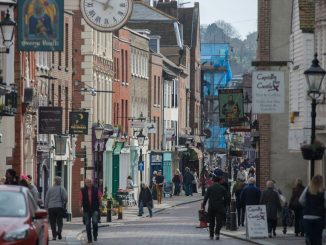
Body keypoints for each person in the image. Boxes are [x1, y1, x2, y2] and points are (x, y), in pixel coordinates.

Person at [299, 175, 326, 245]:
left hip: (307, 216)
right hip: (318, 216)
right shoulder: (323, 191)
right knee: (317, 237)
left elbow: (301, 200)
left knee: (309, 235)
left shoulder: (307, 189)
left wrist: (307, 205)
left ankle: (308, 240)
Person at [203, 175, 229, 240]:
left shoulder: (210, 188)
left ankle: (211, 235)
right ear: (219, 181)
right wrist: (225, 205)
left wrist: (203, 205)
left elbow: (205, 198)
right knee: (219, 221)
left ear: (213, 181)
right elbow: (227, 198)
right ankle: (217, 233)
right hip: (219, 207)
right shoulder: (222, 188)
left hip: (211, 207)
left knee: (211, 222)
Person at [45, 176, 68, 241]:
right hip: (59, 207)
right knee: (59, 221)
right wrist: (65, 203)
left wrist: (46, 207)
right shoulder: (62, 188)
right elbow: (65, 197)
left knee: (52, 222)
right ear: (60, 182)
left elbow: (46, 198)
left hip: (51, 207)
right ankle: (59, 232)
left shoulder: (50, 189)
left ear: (54, 181)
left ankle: (54, 236)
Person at [79, 178, 102, 243]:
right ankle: (89, 239)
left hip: (95, 208)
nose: (88, 183)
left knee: (95, 222)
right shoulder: (82, 190)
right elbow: (80, 199)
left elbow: (100, 198)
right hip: (86, 209)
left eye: (90, 182)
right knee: (87, 224)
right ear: (85, 183)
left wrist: (100, 206)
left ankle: (95, 234)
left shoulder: (96, 189)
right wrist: (80, 207)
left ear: (92, 182)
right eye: (87, 182)